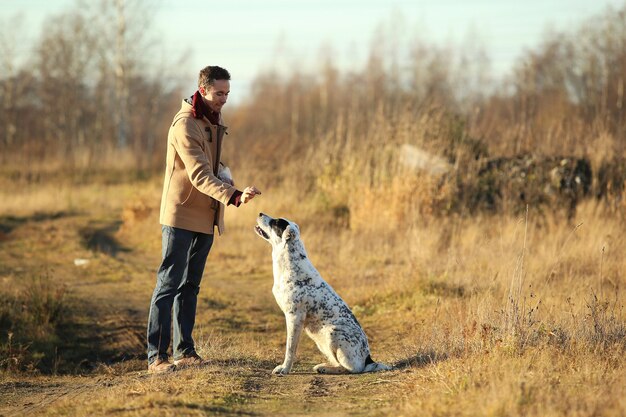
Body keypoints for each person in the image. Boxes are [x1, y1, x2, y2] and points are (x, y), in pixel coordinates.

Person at [147, 66, 260, 373]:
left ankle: (184, 351)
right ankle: (156, 357)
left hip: (205, 214)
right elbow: (197, 174)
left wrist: (225, 173)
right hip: (181, 214)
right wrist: (234, 195)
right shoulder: (185, 124)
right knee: (169, 284)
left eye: (227, 93)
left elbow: (209, 163)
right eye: (219, 93)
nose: (224, 99)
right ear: (203, 89)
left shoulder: (212, 118)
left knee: (190, 285)